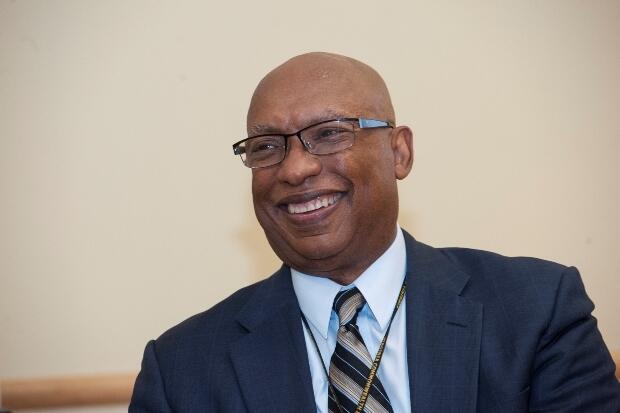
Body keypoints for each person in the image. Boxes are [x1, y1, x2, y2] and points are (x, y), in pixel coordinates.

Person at [129, 52, 620, 412]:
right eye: (266, 147)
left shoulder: (537, 311)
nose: (295, 169)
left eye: (329, 133)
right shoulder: (181, 371)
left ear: (399, 152)